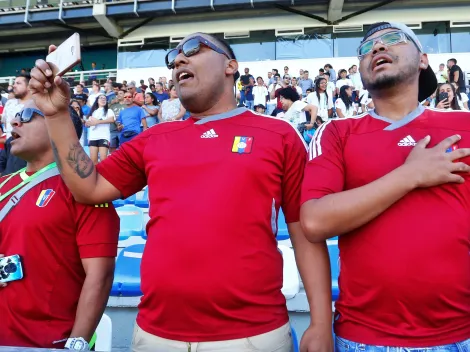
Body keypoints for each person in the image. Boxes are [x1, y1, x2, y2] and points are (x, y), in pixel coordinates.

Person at [30, 32, 333, 352]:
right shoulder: (155, 139)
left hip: (252, 337)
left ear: (231, 65)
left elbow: (303, 234)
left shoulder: (278, 134)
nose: (178, 60)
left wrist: (321, 322)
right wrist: (57, 114)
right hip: (155, 336)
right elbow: (88, 189)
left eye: (192, 49)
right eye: (173, 57)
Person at [301, 22, 470, 351]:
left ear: (422, 59)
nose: (377, 48)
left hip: (462, 334)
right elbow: (314, 221)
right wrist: (410, 176)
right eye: (366, 48)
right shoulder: (337, 132)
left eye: (392, 39)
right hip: (365, 338)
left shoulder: (464, 125)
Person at [0, 101, 119, 349]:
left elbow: (99, 276)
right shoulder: (3, 184)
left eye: (28, 114)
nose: (14, 121)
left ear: (60, 126)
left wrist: (76, 345)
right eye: (16, 115)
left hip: (48, 343)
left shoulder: (86, 191)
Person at [87, 94, 115, 163]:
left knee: (103, 159)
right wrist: (87, 123)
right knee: (93, 161)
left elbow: (111, 120)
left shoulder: (109, 111)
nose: (103, 99)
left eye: (104, 99)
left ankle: (105, 173)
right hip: (93, 137)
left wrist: (97, 122)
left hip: (104, 136)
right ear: (97, 101)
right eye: (101, 98)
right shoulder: (93, 112)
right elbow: (88, 124)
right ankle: (96, 174)